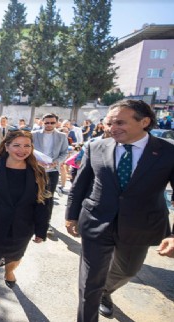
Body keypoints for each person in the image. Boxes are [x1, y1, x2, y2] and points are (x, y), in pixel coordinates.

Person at [65, 99, 174, 322]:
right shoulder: (96, 147)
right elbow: (80, 185)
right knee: (89, 282)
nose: (112, 128)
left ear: (144, 121)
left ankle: (105, 291)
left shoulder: (167, 152)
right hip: (96, 222)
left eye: (120, 123)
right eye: (109, 123)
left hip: (140, 226)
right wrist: (71, 216)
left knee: (128, 271)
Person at [0, 130, 49, 321]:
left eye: (27, 146)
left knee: (14, 258)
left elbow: (43, 203)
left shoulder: (38, 172)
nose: (22, 150)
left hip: (22, 229)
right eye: (16, 145)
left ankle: (9, 271)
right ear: (6, 147)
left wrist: (41, 230)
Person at [32, 113, 69, 235]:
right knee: (32, 196)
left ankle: (46, 223)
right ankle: (31, 221)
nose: (49, 125)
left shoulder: (62, 136)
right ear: (42, 122)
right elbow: (28, 150)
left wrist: (56, 162)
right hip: (36, 170)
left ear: (57, 123)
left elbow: (64, 153)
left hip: (52, 171)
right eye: (47, 122)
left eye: (52, 122)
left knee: (48, 198)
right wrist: (36, 161)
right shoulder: (34, 135)